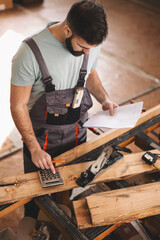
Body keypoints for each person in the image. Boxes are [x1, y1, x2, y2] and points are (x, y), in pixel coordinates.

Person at [10, 0, 118, 219]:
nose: (88, 52)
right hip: (42, 142)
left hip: (77, 134)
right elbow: (18, 105)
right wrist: (34, 148)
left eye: (92, 48)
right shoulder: (29, 52)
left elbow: (91, 73)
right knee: (36, 200)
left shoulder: (89, 43)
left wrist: (104, 98)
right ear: (68, 29)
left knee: (73, 190)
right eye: (83, 47)